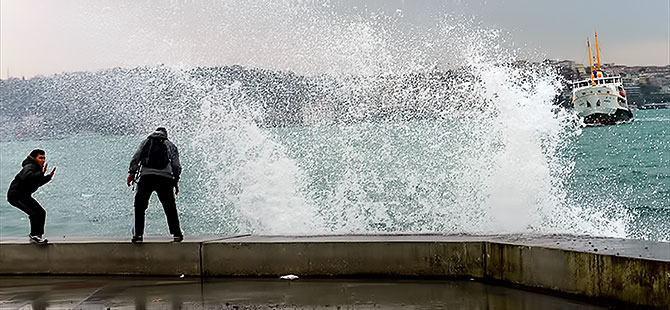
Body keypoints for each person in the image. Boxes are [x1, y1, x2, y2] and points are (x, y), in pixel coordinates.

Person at [127, 127, 183, 243]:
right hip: (165, 179)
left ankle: (138, 235)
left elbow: (136, 158)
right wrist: (175, 181)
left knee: (140, 206)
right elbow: (176, 165)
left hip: (146, 178)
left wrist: (131, 174)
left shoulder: (146, 142)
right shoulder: (170, 144)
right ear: (165, 134)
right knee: (170, 207)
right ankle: (176, 234)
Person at [7, 149, 57, 244]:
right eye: (40, 158)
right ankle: (34, 235)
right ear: (34, 158)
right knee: (33, 213)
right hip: (15, 195)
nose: (43, 160)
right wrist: (41, 173)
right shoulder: (30, 166)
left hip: (24, 195)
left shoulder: (37, 168)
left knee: (41, 212)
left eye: (44, 158)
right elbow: (26, 176)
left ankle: (38, 235)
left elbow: (35, 183)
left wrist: (48, 177)